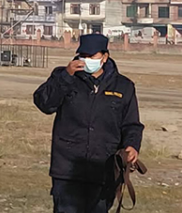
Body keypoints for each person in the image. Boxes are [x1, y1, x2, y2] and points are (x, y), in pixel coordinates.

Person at [33, 34, 143, 213]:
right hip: (67, 168)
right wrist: (66, 76)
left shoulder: (124, 86)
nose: (86, 60)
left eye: (92, 56)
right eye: (83, 55)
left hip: (103, 167)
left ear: (104, 57)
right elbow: (45, 104)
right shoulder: (64, 76)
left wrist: (132, 145)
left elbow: (131, 124)